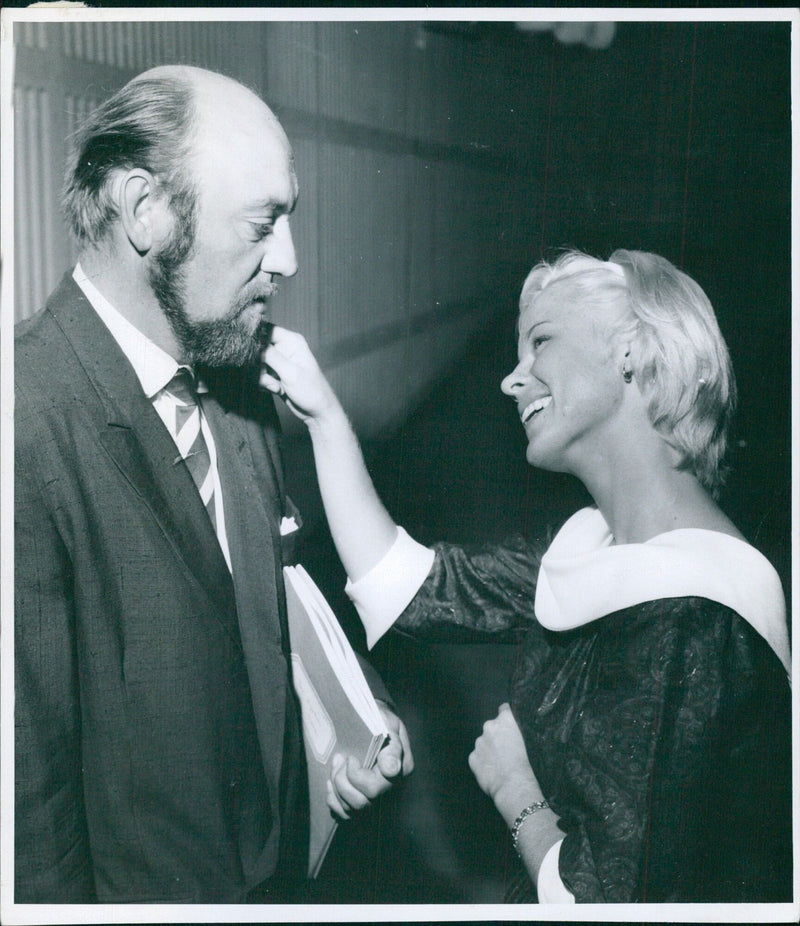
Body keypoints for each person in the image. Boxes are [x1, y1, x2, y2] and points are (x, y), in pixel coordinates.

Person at [261, 249, 792, 903]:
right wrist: (324, 417)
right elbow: (411, 589)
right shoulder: (597, 543)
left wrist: (516, 791)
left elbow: (607, 905)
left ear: (630, 350)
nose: (512, 381)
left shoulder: (698, 616)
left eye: (539, 342)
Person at [14, 65, 412, 904]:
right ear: (145, 208)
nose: (291, 261)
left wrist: (351, 723)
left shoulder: (235, 381)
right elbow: (31, 814)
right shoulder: (26, 423)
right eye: (264, 224)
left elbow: (276, 601)